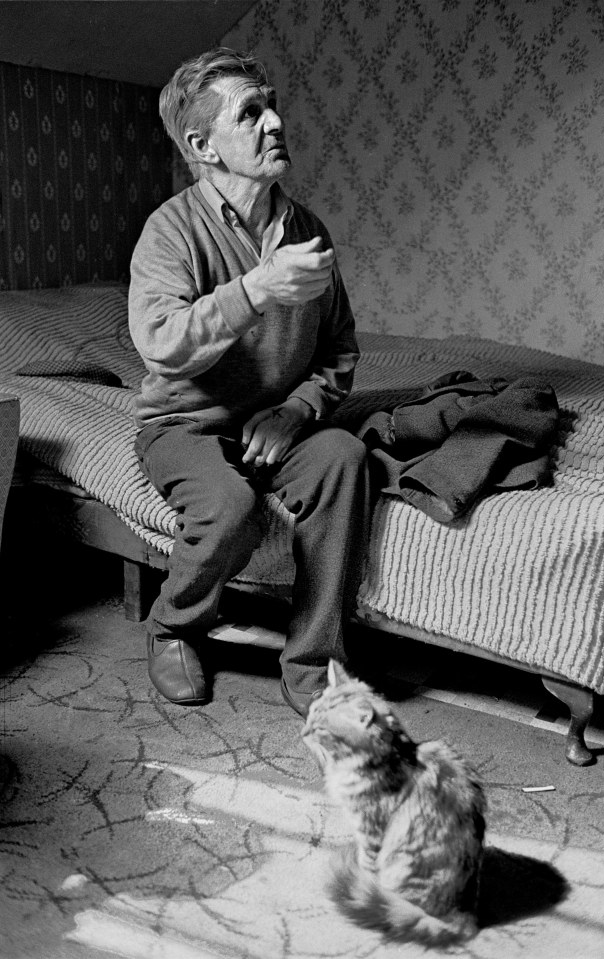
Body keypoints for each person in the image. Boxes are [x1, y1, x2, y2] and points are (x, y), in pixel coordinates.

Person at [128, 48, 371, 718]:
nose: (275, 121)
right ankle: (174, 625)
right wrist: (257, 288)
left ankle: (316, 662)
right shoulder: (169, 232)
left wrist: (297, 409)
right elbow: (162, 343)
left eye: (272, 104)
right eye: (252, 112)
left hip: (275, 425)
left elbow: (340, 347)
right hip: (183, 425)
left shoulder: (307, 230)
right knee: (231, 504)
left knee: (345, 458)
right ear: (203, 145)